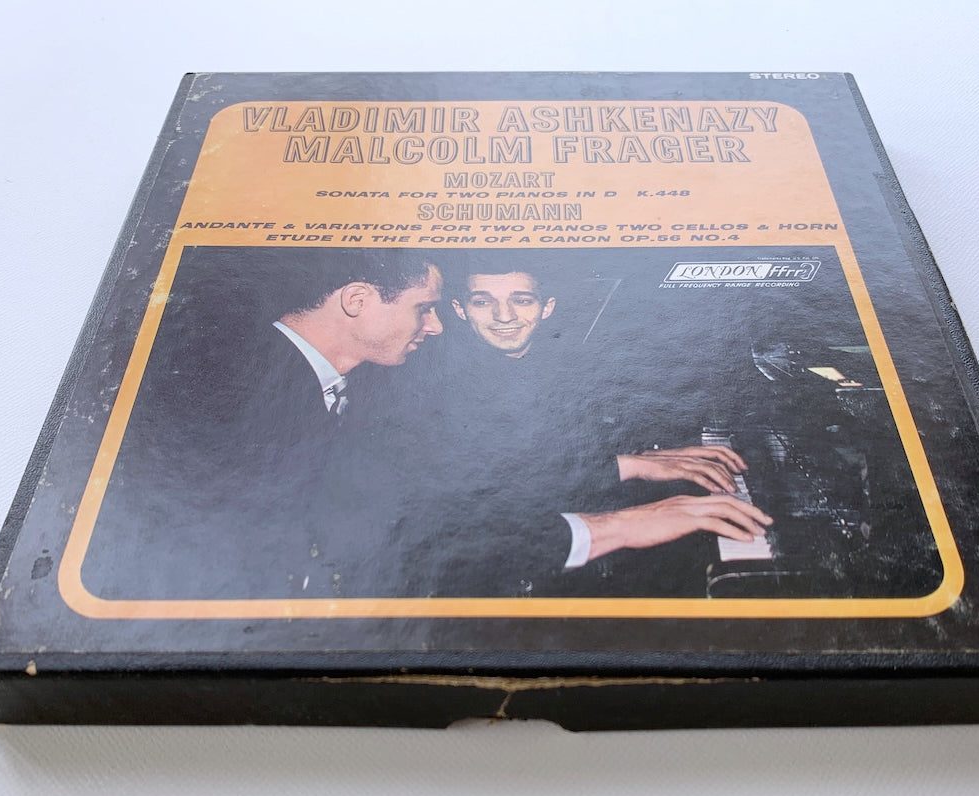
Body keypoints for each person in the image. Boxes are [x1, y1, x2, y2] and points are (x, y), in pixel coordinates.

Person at [380, 257, 772, 597]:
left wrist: (636, 461)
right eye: (483, 301)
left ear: (547, 307)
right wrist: (627, 494)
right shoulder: (432, 388)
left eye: (522, 299)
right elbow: (486, 509)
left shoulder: (545, 362)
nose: (504, 316)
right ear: (460, 309)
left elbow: (539, 460)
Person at [80, 248, 443, 600]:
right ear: (357, 300)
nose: (435, 326)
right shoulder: (222, 382)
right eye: (424, 308)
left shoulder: (310, 386)